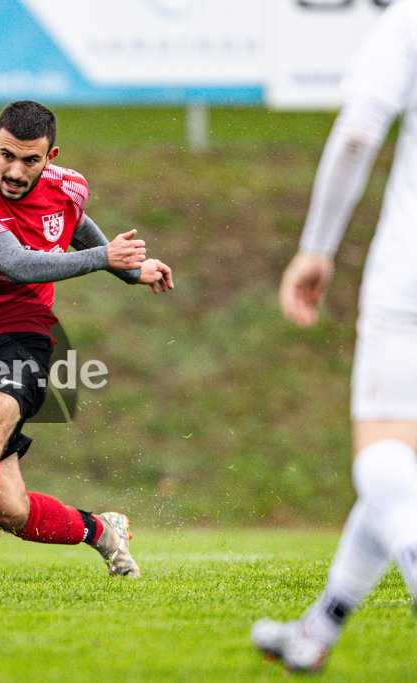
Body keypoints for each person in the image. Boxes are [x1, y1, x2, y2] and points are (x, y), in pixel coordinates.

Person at [0, 100, 174, 583]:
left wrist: (128, 269)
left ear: (51, 156)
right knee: (8, 509)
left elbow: (77, 227)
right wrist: (106, 258)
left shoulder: (69, 187)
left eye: (30, 160)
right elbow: (16, 263)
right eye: (7, 156)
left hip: (24, 333)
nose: (15, 171)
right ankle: (103, 532)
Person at [251, 0, 417, 671]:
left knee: (381, 458)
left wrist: (317, 247)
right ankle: (318, 628)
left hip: (409, 279)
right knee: (399, 469)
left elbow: (356, 136)